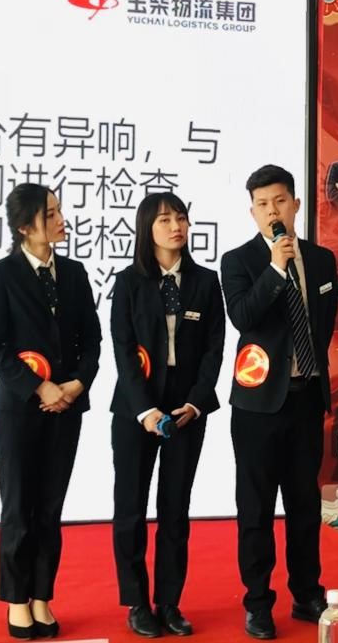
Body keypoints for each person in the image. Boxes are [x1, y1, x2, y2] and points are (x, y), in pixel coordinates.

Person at [0, 183, 101, 640]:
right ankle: (17, 601)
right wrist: (38, 386)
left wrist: (76, 384)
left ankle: (42, 597)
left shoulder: (74, 274)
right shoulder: (1, 275)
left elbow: (92, 341)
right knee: (19, 507)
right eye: (49, 214)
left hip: (66, 408)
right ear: (25, 227)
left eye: (58, 210)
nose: (60, 219)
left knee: (50, 508)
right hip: (18, 410)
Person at [220, 164, 338, 640]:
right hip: (257, 408)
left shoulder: (323, 260)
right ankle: (257, 602)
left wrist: (309, 369)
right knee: (255, 509)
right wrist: (275, 267)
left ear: (296, 205)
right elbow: (243, 316)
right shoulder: (238, 261)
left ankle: (307, 593)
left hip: (306, 399)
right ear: (253, 212)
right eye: (263, 204)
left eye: (280, 201)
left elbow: (324, 324)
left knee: (305, 505)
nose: (273, 211)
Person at [109, 192, 226, 638]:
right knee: (130, 508)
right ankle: (137, 602)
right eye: (164, 220)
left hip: (185, 410)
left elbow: (214, 348)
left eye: (181, 218)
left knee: (175, 509)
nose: (176, 227)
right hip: (136, 409)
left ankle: (170, 602)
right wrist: (144, 409)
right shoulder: (129, 282)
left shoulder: (205, 282)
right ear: (147, 228)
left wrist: (196, 403)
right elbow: (122, 349)